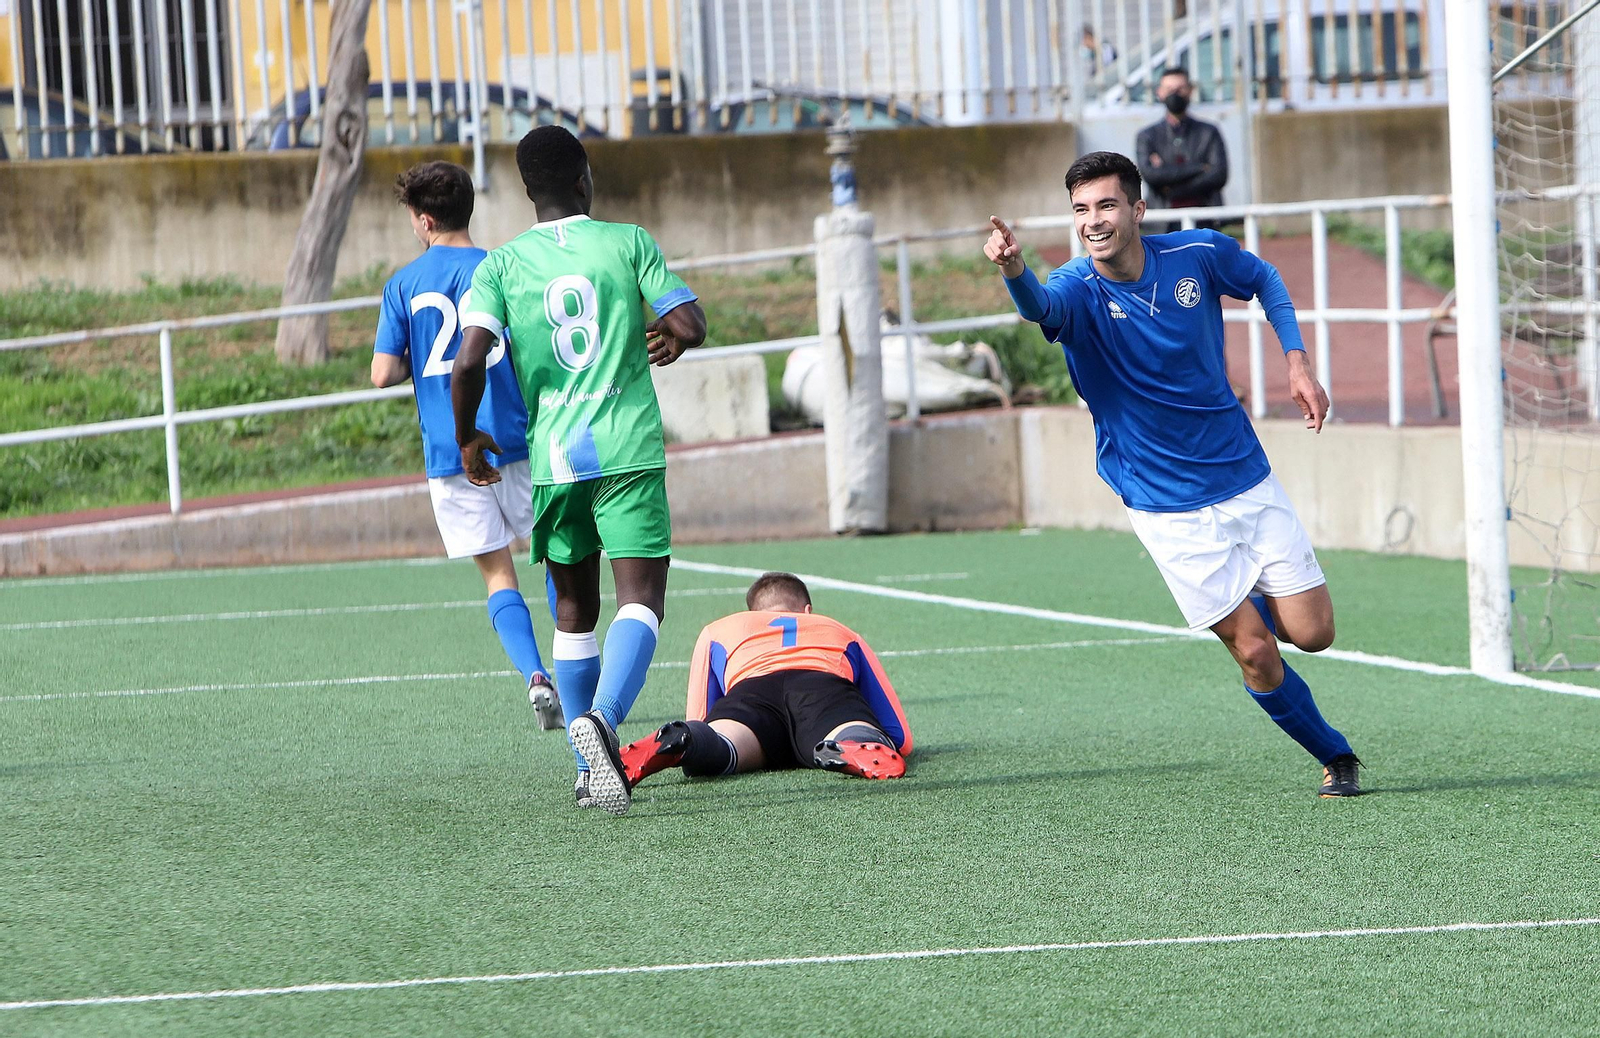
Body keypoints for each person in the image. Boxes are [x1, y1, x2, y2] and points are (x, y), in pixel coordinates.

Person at [983, 150, 1363, 797]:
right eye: (1080, 209)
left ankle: (1242, 604)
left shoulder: (1198, 255)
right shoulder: (1079, 288)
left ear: (1137, 208)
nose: (1092, 220)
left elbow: (1265, 277)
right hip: (1165, 506)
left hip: (1244, 476)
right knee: (1255, 651)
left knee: (1313, 634)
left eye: (1105, 204)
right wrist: (1016, 271)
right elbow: (1040, 310)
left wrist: (1296, 362)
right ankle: (1336, 755)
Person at [451, 126, 708, 816]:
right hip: (627, 451)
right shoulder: (628, 242)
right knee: (640, 601)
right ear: (585, 179)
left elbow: (470, 359)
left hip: (557, 460)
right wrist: (672, 333)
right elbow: (691, 320)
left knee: (572, 610)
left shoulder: (500, 265)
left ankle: (585, 768)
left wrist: (467, 436)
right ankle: (605, 720)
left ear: (529, 192)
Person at [371, 160, 561, 730]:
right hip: (518, 440)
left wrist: (417, 359)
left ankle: (534, 676)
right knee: (555, 557)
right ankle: (576, 669)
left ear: (425, 220)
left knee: (498, 574)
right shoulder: (502, 267)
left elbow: (382, 373)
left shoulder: (402, 285)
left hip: (452, 453)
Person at [617, 572, 911, 799]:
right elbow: (900, 734)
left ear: (752, 614)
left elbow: (700, 714)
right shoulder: (839, 630)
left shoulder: (720, 629)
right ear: (807, 610)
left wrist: (699, 731)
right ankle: (848, 743)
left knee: (720, 742)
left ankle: (686, 744)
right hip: (822, 688)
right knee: (849, 728)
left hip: (751, 694)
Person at [1136, 67, 1228, 234]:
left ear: (1190, 90)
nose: (1175, 94)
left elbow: (1219, 174)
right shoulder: (1147, 136)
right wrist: (1199, 168)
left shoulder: (1209, 132)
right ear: (1159, 92)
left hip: (1205, 221)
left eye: (1180, 89)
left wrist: (1171, 187)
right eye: (1170, 90)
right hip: (1161, 224)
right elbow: (1150, 175)